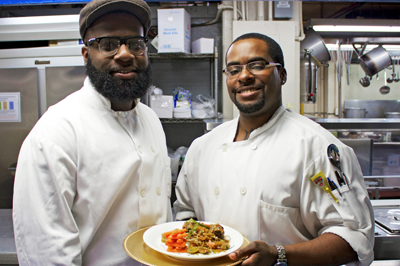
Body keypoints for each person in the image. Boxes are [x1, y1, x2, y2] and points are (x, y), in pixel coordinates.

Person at [174, 33, 374, 266]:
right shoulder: (203, 147)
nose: (244, 76)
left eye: (257, 65)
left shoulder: (317, 147)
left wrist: (279, 255)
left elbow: (354, 238)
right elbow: (186, 214)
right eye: (234, 69)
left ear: (282, 74)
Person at [13, 0, 172, 265]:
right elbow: (47, 251)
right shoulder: (56, 132)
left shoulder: (151, 120)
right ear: (87, 55)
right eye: (107, 44)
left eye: (136, 43)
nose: (125, 54)